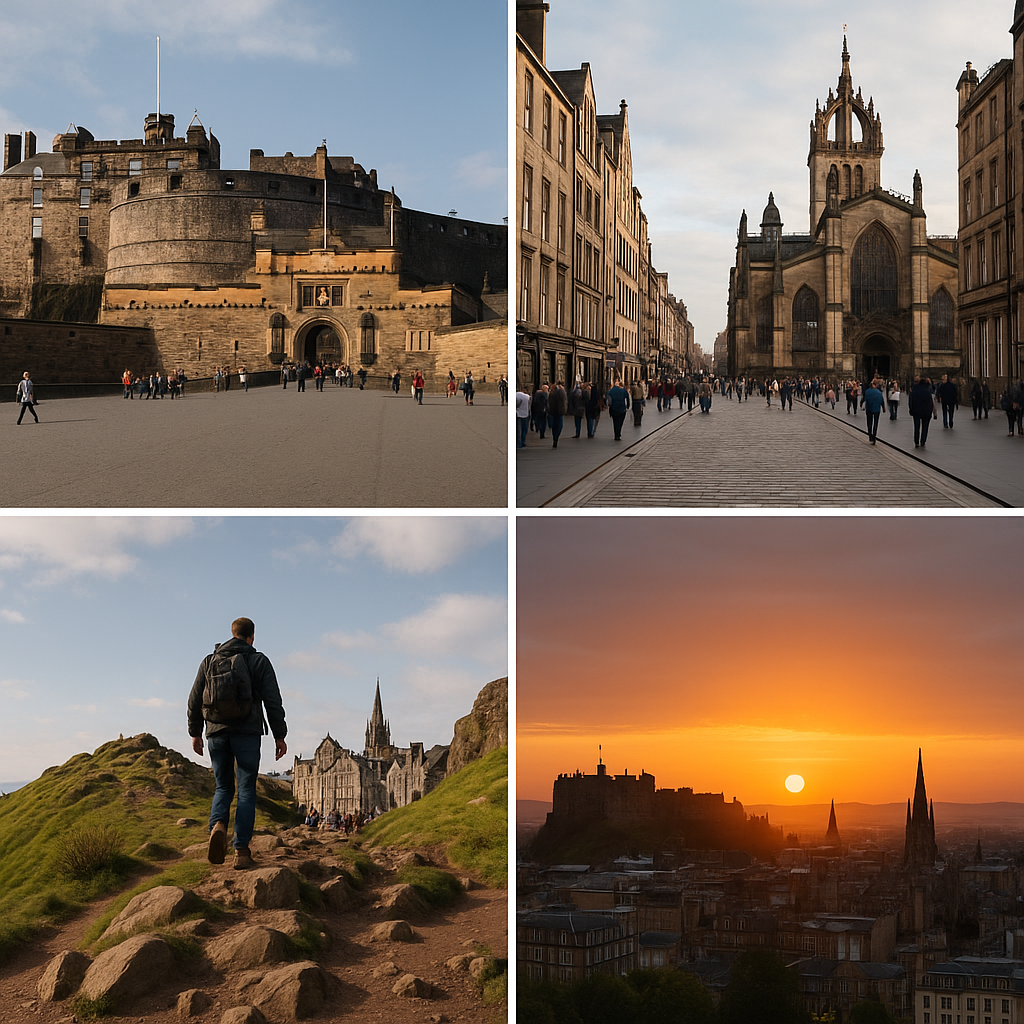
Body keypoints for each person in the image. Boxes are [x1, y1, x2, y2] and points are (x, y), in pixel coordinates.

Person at [187, 616, 287, 870]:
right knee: (246, 790)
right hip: (247, 734)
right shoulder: (259, 661)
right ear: (252, 636)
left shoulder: (210, 661)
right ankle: (241, 851)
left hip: (216, 734)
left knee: (222, 787)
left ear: (232, 633)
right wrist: (279, 735)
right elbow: (273, 700)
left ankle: (218, 825)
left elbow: (195, 699)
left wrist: (195, 732)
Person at [909, 376, 934, 448]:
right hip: (926, 411)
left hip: (916, 411)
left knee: (916, 426)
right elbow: (930, 402)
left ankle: (916, 441)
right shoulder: (927, 391)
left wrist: (911, 409)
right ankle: (923, 441)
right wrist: (932, 411)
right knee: (925, 427)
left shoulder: (914, 390)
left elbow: (911, 401)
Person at [861, 379, 885, 444]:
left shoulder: (867, 391)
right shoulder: (879, 392)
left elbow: (864, 399)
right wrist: (883, 408)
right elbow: (882, 401)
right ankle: (874, 437)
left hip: (869, 409)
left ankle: (870, 435)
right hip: (877, 409)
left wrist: (861, 405)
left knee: (869, 422)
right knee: (876, 423)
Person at [547, 380, 567, 447]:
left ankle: (555, 437)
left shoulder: (552, 393)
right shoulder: (562, 392)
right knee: (559, 425)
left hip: (553, 411)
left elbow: (549, 402)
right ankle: (556, 437)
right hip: (559, 411)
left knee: (554, 426)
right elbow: (564, 401)